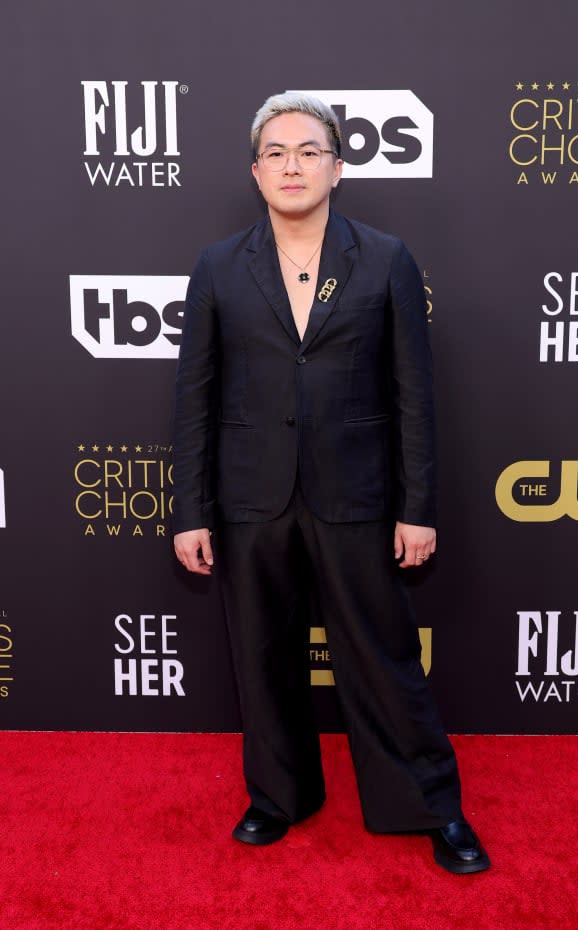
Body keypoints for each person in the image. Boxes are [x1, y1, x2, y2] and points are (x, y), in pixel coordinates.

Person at [172, 92, 490, 874]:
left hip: (358, 498)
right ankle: (279, 796)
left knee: (382, 660)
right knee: (262, 654)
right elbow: (195, 398)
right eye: (276, 152)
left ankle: (431, 806)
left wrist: (418, 507)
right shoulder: (218, 265)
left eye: (309, 150)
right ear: (255, 172)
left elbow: (414, 393)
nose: (292, 164)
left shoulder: (385, 258)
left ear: (338, 168)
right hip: (251, 499)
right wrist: (191, 510)